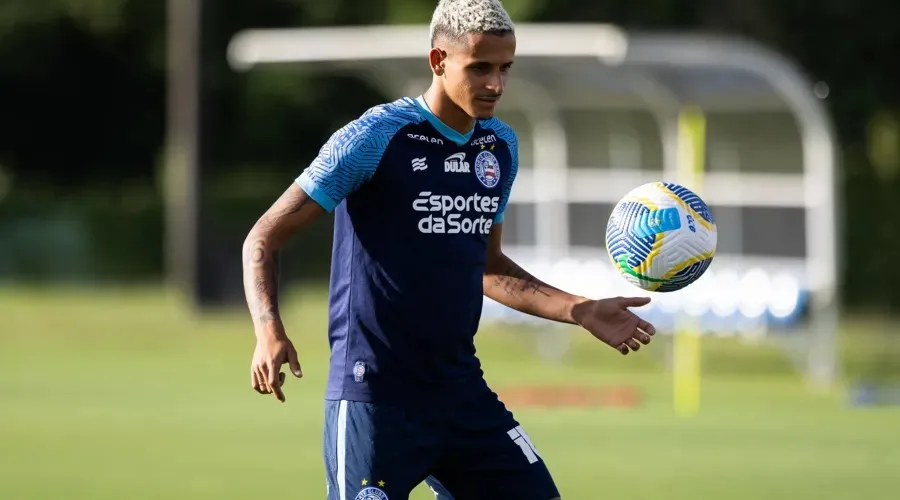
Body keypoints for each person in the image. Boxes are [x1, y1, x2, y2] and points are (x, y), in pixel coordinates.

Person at [241, 0, 656, 498]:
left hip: (461, 394)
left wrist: (580, 309)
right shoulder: (375, 137)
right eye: (480, 67)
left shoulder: (498, 146)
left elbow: (487, 266)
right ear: (438, 60)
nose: (496, 85)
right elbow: (263, 236)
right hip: (376, 396)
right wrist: (268, 331)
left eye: (505, 69)